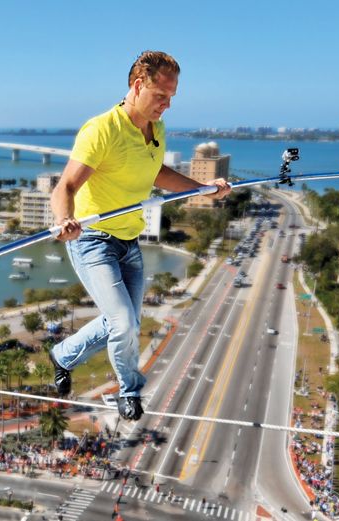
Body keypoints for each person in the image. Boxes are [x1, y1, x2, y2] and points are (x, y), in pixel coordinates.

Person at [49, 50, 231, 420]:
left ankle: (62, 355)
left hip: (128, 242)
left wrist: (202, 188)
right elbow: (64, 186)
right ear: (137, 86)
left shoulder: (155, 129)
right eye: (161, 96)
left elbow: (155, 173)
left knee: (123, 322)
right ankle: (129, 391)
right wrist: (66, 221)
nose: (167, 105)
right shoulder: (102, 130)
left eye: (171, 98)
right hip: (93, 240)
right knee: (124, 323)